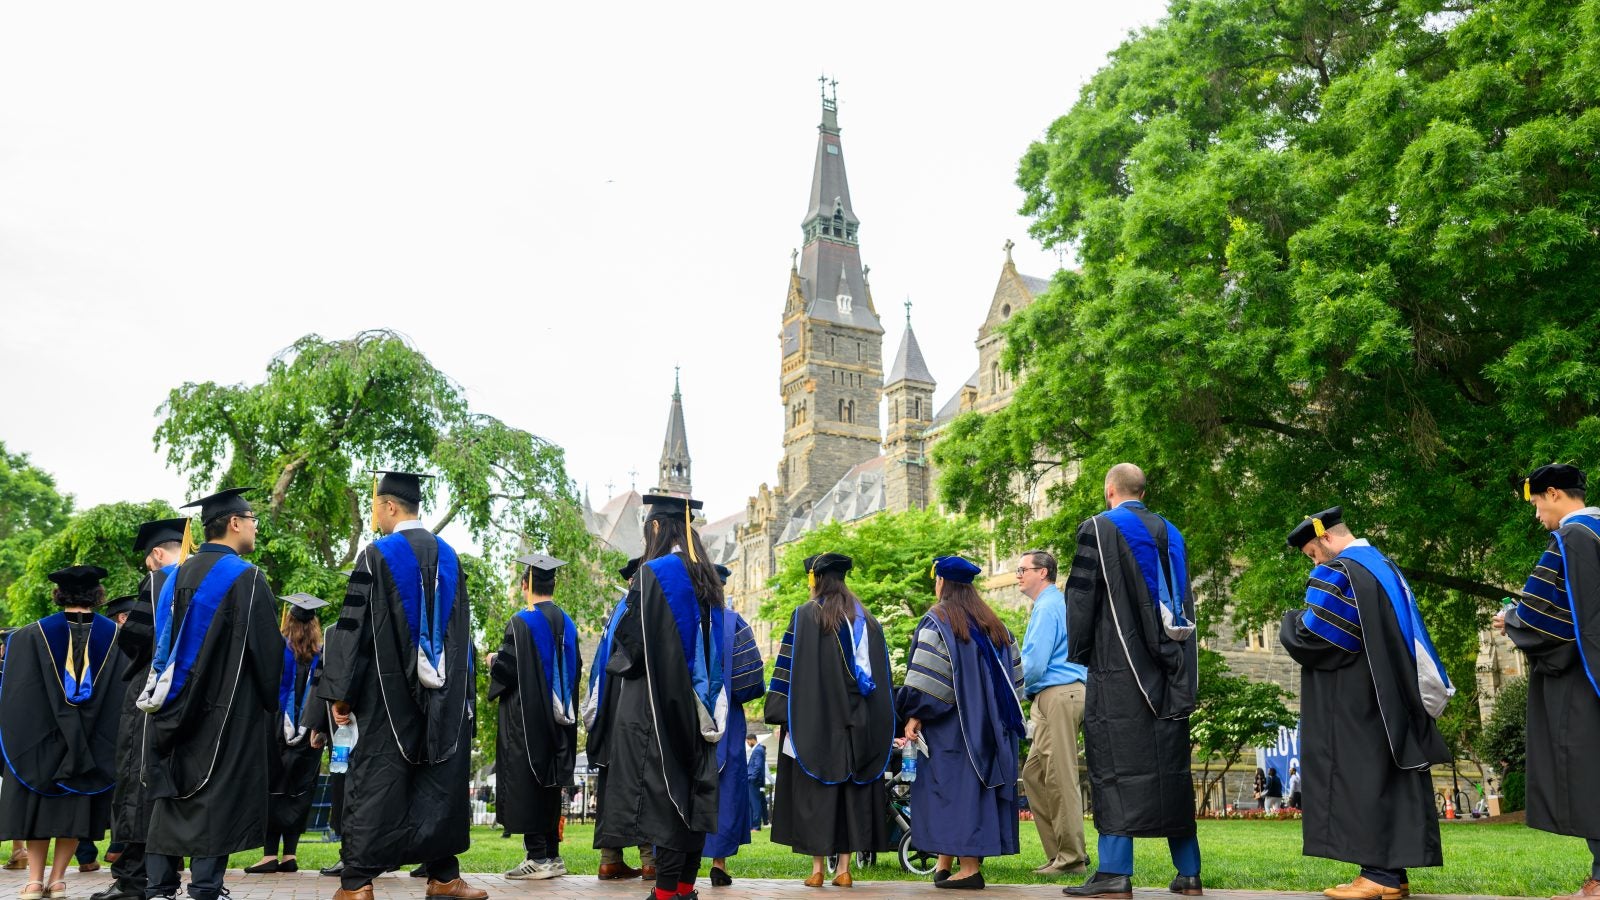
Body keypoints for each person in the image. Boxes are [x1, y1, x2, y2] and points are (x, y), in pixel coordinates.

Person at [318, 472, 482, 900]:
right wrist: (461, 696)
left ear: (390, 506)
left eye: (375, 506)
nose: (374, 514)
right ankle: (443, 876)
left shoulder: (374, 556)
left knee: (376, 782)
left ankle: (358, 884)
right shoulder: (450, 556)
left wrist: (341, 693)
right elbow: (463, 638)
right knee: (438, 782)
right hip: (442, 697)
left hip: (381, 698)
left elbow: (351, 631)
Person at [1282, 505, 1453, 899]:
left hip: (1360, 698)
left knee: (1364, 777)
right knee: (1388, 778)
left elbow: (1315, 637)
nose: (1314, 561)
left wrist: (1289, 621)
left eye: (1312, 553)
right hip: (1390, 694)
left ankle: (1378, 874)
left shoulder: (1344, 571)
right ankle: (1393, 875)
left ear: (1326, 537)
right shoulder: (1383, 565)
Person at [1062, 464, 1202, 899]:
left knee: (1117, 769)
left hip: (1119, 669)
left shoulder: (1099, 529)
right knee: (1171, 772)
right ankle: (1189, 872)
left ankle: (1115, 873)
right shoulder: (1172, 533)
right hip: (1171, 672)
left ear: (1110, 491)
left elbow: (1081, 600)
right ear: (1143, 491)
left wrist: (1081, 651)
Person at [138, 488, 283, 900]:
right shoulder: (248, 577)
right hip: (228, 709)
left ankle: (160, 887)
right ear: (235, 523)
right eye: (252, 518)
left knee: (169, 793)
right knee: (215, 793)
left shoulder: (174, 576)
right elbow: (267, 652)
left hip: (171, 706)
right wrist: (270, 702)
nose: (255, 526)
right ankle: (205, 887)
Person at [592, 494, 725, 900]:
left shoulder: (655, 574)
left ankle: (665, 893)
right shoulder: (707, 576)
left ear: (654, 528)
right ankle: (685, 887)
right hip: (699, 706)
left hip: (653, 708)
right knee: (691, 791)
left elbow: (628, 649)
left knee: (662, 799)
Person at [1495, 464, 1600, 900]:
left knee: (1592, 774)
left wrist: (1512, 620)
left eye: (1538, 505)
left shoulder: (1572, 538)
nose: (1539, 516)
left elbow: (1547, 619)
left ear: (1554, 494)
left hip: (1585, 679)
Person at [766, 552, 895, 888]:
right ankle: (845, 869)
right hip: (859, 721)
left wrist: (781, 710)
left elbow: (787, 673)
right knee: (851, 791)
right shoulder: (867, 619)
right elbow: (879, 679)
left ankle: (818, 868)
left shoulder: (805, 616)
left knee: (818, 792)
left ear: (817, 579)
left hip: (817, 722)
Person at [898, 555, 1026, 891]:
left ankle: (969, 869)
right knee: (965, 792)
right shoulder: (996, 624)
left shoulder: (938, 621)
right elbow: (1018, 685)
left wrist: (914, 713)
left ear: (942, 582)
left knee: (955, 791)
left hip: (954, 729)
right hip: (993, 730)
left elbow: (929, 686)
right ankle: (945, 862)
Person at [0, 565, 121, 900]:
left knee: (38, 806)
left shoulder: (26, 636)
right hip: (93, 747)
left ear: (59, 594)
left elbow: (15, 696)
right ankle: (58, 880)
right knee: (76, 807)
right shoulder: (116, 636)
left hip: (41, 746)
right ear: (97, 595)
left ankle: (34, 881)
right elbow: (121, 699)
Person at [90, 519, 185, 900]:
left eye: (149, 559)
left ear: (157, 554)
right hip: (186, 695)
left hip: (149, 689)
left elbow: (136, 637)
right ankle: (164, 875)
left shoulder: (159, 581)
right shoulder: (205, 579)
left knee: (135, 778)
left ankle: (131, 879)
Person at [488, 553, 581, 881]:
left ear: (526, 584)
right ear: (552, 584)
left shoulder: (521, 621)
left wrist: (492, 662)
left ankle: (537, 856)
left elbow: (508, 670)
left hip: (527, 721)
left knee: (528, 782)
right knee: (551, 785)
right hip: (561, 720)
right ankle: (553, 856)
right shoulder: (569, 623)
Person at [1016, 548, 1090, 876]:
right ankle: (1059, 854)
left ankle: (1072, 858)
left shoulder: (1048, 606)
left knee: (1060, 776)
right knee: (1034, 775)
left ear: (1042, 573)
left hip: (1058, 694)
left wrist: (1009, 691)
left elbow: (1033, 663)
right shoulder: (1051, 604)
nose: (1017, 575)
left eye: (1023, 569)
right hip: (1052, 697)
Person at [243, 593, 329, 874]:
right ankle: (290, 854)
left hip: (275, 728)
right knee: (299, 791)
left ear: (289, 620)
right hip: (311, 731)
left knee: (273, 787)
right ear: (315, 624)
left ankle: (269, 856)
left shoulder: (277, 648)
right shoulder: (323, 654)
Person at [582, 556, 656, 882]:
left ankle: (609, 860)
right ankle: (650, 859)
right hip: (637, 714)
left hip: (611, 716)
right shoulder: (647, 611)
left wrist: (594, 718)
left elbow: (598, 672)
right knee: (642, 782)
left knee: (612, 784)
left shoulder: (615, 614)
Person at [704, 564, 766, 887]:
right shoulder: (734, 623)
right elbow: (751, 682)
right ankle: (719, 863)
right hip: (726, 722)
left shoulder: (685, 620)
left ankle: (673, 862)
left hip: (688, 720)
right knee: (725, 788)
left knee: (687, 786)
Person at [745, 735, 767, 831]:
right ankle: (752, 826)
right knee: (751, 803)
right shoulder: (758, 749)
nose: (748, 744)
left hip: (754, 781)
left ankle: (756, 826)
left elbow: (758, 766)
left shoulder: (758, 750)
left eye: (748, 742)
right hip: (752, 780)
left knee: (755, 804)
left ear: (752, 740)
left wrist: (752, 778)